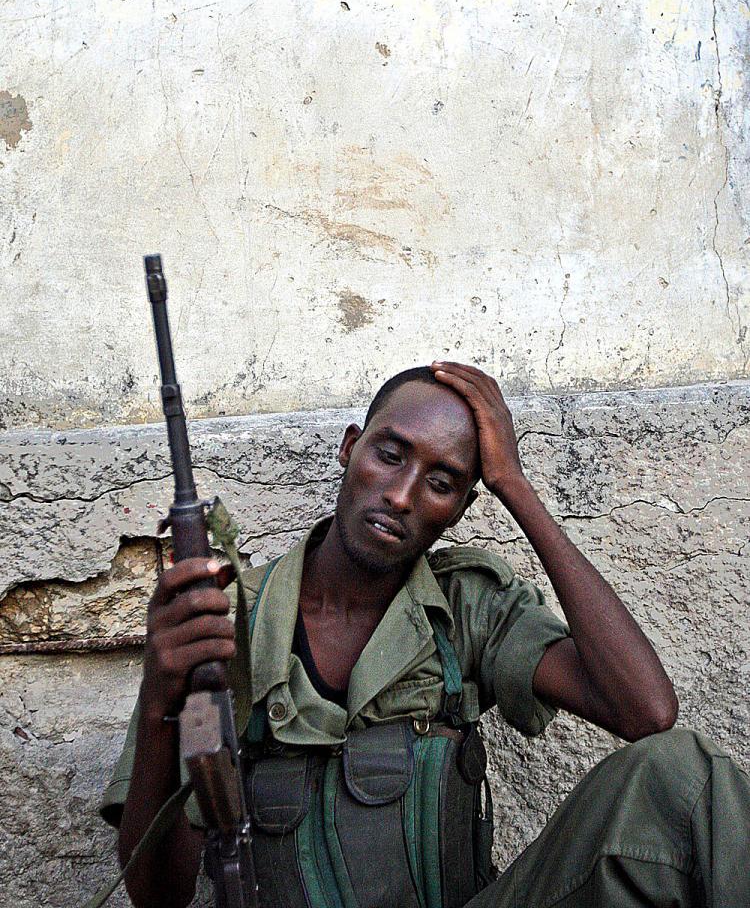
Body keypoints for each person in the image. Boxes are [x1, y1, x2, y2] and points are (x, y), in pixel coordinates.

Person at [101, 362, 750, 908]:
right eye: (389, 455)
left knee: (682, 776)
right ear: (350, 447)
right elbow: (159, 896)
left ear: (463, 507)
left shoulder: (465, 605)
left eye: (441, 483)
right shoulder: (222, 626)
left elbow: (645, 710)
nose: (403, 495)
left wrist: (514, 486)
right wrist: (166, 690)